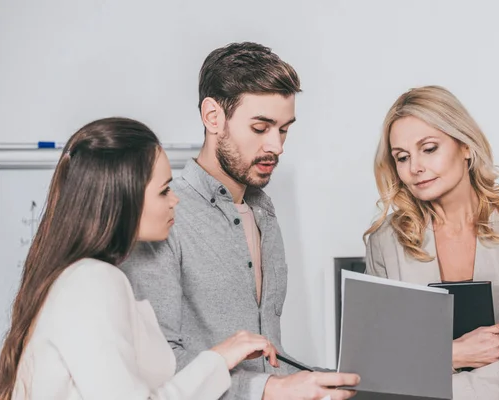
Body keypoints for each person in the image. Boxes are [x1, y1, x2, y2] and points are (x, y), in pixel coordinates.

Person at [121, 42, 360, 400]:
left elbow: (268, 359)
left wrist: (328, 380)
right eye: (261, 127)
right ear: (213, 117)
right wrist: (270, 390)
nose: (276, 146)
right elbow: (159, 362)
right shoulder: (162, 217)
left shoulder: (264, 212)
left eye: (284, 130)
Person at [0, 117, 280, 400]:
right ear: (122, 199)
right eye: (163, 190)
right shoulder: (93, 281)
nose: (175, 200)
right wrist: (218, 359)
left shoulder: (79, 278)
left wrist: (221, 358)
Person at [364, 85, 499, 399]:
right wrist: (452, 354)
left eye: (429, 148)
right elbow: (379, 367)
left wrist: (434, 380)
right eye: (402, 157)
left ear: (466, 147)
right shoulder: (386, 243)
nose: (415, 167)